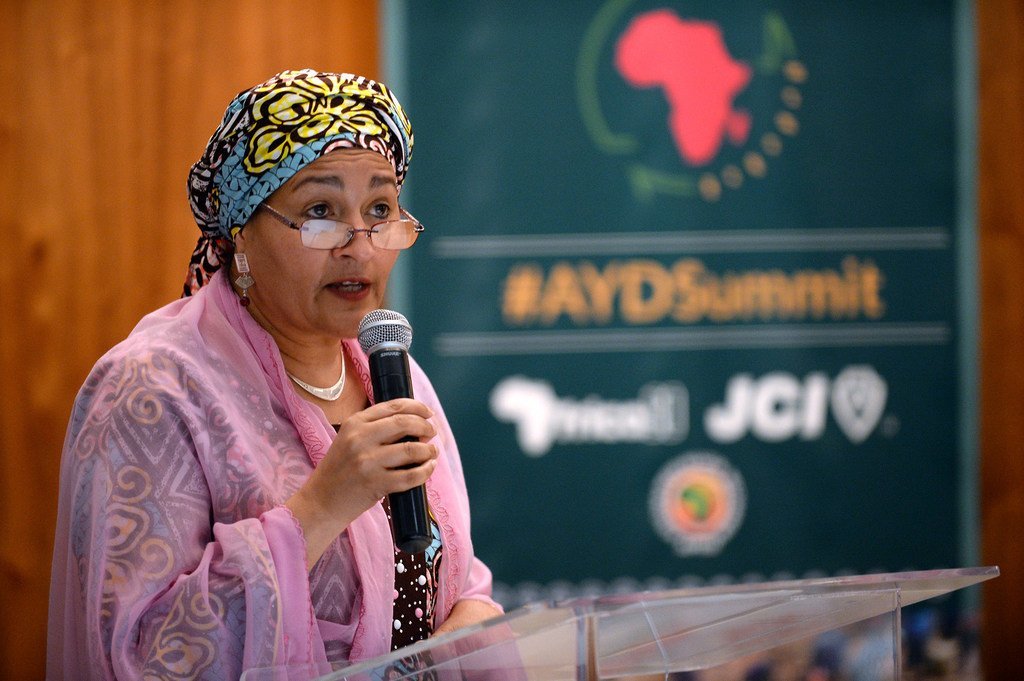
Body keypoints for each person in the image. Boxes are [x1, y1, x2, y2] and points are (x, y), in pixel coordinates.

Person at [47, 69, 502, 680]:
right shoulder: (149, 389)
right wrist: (319, 508)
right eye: (321, 211)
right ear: (241, 238)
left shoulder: (397, 375)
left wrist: (471, 620)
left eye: (380, 209)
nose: (360, 247)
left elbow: (452, 574)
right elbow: (141, 653)